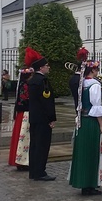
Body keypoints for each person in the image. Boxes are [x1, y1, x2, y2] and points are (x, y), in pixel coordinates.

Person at [69, 61, 102, 196]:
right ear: (92, 71)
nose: (97, 72)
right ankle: (90, 184)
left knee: (83, 152)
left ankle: (82, 182)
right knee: (92, 152)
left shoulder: (82, 83)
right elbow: (96, 107)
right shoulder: (95, 85)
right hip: (91, 122)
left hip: (82, 121)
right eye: (96, 70)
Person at [8, 47, 38, 170]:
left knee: (20, 137)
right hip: (26, 113)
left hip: (22, 113)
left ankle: (20, 160)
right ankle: (23, 161)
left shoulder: (22, 84)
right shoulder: (27, 85)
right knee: (25, 137)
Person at [27, 53, 56, 181]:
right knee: (42, 145)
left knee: (34, 144)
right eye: (46, 66)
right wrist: (51, 118)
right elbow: (47, 101)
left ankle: (33, 171)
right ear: (41, 68)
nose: (48, 68)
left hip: (34, 117)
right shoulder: (43, 81)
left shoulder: (32, 80)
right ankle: (40, 172)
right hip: (43, 118)